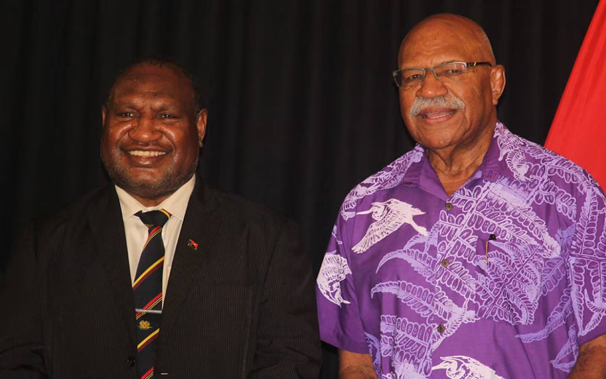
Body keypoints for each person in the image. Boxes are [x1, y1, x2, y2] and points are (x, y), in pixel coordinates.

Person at [316, 14, 606, 379]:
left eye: (452, 70)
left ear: (495, 82)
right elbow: (356, 362)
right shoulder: (363, 207)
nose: (429, 90)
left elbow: (600, 346)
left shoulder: (570, 193)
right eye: (413, 76)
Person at [0, 58, 321, 378]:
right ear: (104, 121)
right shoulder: (44, 243)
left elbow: (288, 363)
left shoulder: (267, 240)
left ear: (200, 126)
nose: (143, 133)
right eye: (127, 114)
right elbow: (15, 362)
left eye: (166, 115)